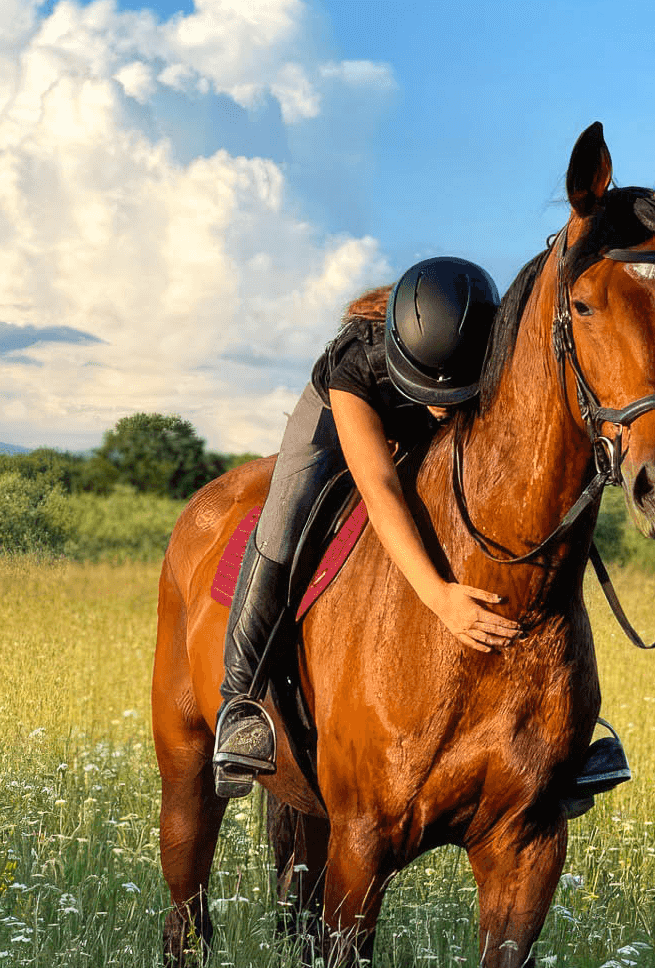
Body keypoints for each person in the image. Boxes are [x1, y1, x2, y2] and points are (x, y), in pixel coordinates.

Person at [211, 256, 630, 809]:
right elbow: (380, 488)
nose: (438, 407)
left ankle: (565, 733)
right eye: (431, 394)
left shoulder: (496, 342)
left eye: (452, 392)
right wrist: (440, 599)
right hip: (340, 422)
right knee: (284, 526)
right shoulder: (356, 364)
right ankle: (239, 702)